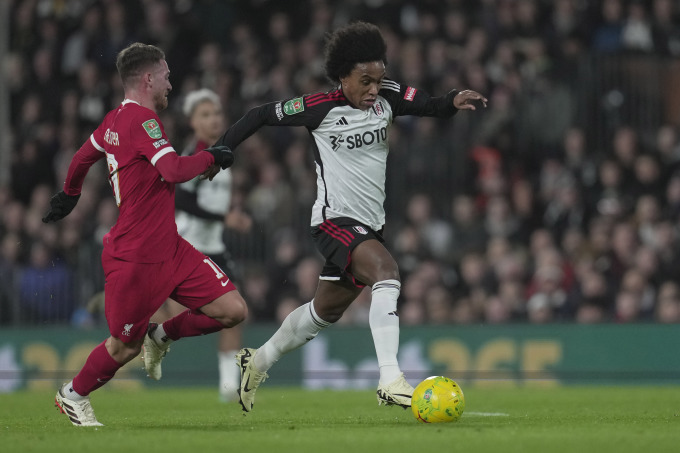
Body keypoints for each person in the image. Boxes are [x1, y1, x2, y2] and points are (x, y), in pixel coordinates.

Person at [205, 21, 487, 412]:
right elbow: (259, 114)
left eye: (379, 78)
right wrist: (221, 151)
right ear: (343, 77)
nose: (374, 89)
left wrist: (453, 99)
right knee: (387, 273)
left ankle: (259, 360)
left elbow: (429, 105)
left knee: (324, 312)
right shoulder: (319, 108)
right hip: (333, 222)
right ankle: (390, 378)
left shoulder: (389, 96)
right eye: (365, 81)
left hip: (369, 226)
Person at [43, 43, 246, 427]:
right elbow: (171, 170)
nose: (171, 83)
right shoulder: (143, 121)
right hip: (135, 257)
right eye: (167, 76)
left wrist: (70, 193)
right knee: (123, 347)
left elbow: (83, 156)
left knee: (233, 310)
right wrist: (213, 157)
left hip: (170, 248)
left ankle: (162, 336)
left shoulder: (113, 121)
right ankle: (72, 395)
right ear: (149, 79)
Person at [150, 88, 251, 401]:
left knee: (235, 314)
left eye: (216, 113)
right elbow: (183, 199)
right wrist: (225, 217)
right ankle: (151, 327)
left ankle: (228, 389)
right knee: (181, 315)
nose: (213, 119)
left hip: (214, 246)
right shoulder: (194, 154)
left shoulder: (221, 151)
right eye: (205, 115)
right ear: (192, 122)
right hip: (189, 244)